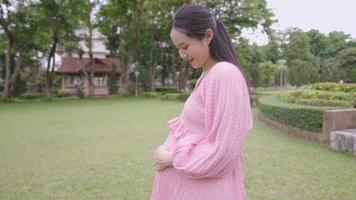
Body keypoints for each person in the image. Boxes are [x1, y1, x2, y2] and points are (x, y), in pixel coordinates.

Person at [151, 4, 253, 200]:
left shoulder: (225, 74)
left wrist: (172, 159)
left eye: (185, 47)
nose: (182, 55)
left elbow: (225, 152)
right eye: (178, 49)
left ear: (207, 36)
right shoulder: (207, 75)